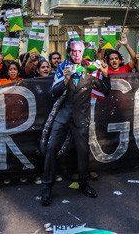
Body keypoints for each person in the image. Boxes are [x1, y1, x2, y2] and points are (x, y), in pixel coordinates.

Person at [39, 40, 109, 206]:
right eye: (73, 51)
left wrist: (105, 74)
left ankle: (84, 184)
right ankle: (46, 187)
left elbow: (105, 91)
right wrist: (65, 80)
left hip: (81, 117)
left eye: (79, 51)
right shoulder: (63, 67)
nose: (76, 54)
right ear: (69, 52)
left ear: (83, 52)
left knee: (83, 152)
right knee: (51, 148)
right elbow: (53, 93)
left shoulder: (91, 68)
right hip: (63, 116)